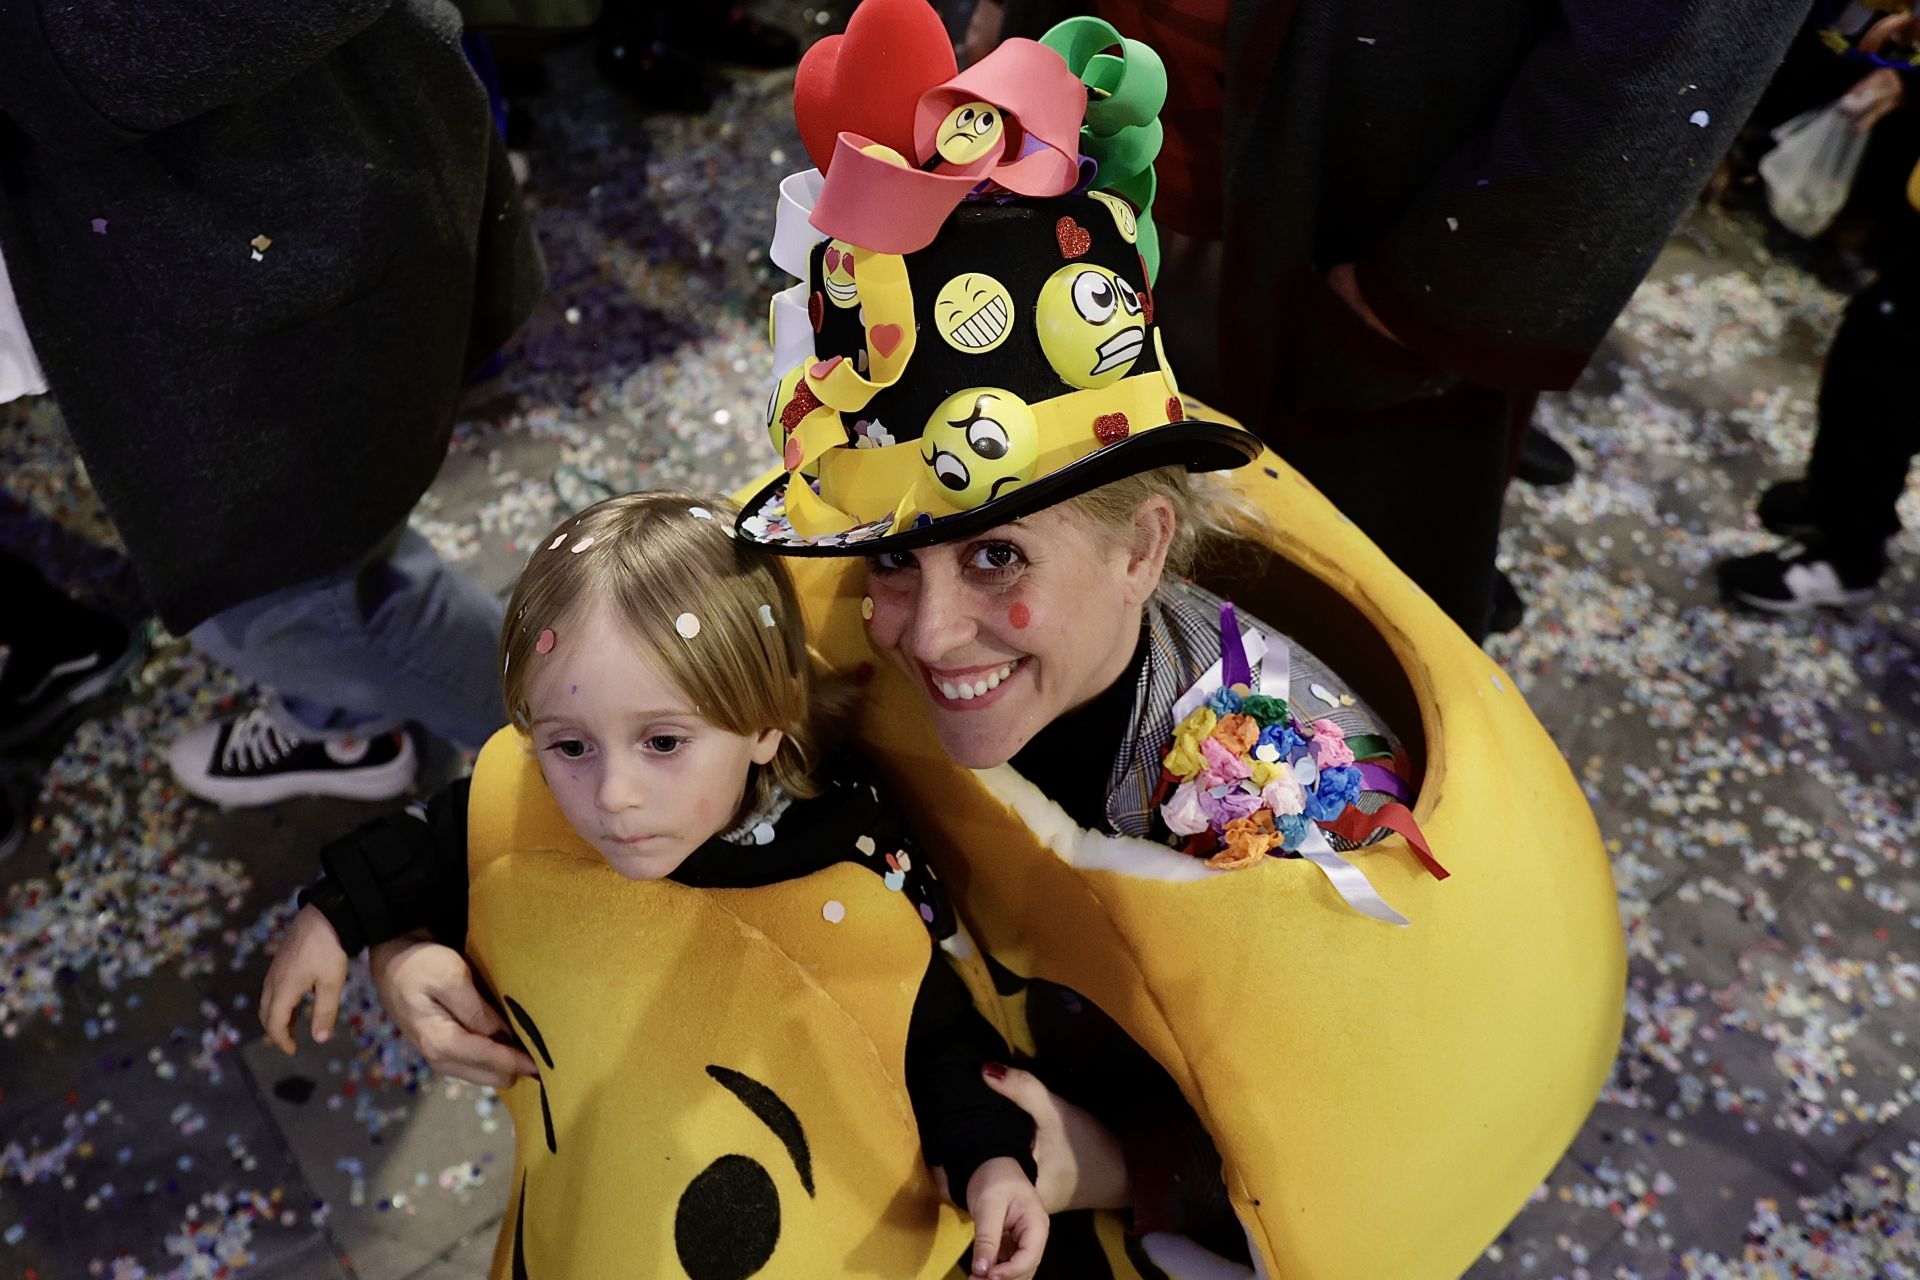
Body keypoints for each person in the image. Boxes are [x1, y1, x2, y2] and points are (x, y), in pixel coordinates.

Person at [260, 492, 1050, 1280]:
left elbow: (931, 1027)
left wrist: (990, 1160)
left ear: (766, 720)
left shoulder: (847, 850)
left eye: (663, 741)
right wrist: (338, 916)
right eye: (570, 745)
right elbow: (452, 830)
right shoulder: (542, 787)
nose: (612, 795)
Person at [0, 2, 545, 807]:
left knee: (303, 601)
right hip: (212, 231)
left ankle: (584, 765)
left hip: (264, 239)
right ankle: (339, 717)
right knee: (325, 556)